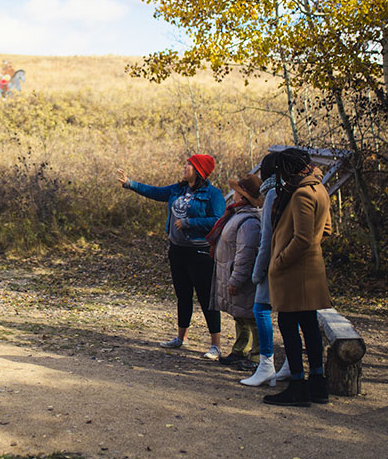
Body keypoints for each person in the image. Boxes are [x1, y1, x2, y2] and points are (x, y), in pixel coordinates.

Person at [118, 154, 226, 359]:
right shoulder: (178, 189)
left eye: (189, 165)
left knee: (206, 298)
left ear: (199, 171)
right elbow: (156, 192)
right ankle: (181, 338)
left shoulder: (213, 194)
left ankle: (216, 345)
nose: (184, 167)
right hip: (177, 250)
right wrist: (130, 183)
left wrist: (189, 223)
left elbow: (218, 220)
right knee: (183, 295)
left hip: (200, 253)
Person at [263, 148, 333, 406]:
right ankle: (317, 383)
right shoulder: (319, 188)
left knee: (289, 325)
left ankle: (297, 386)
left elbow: (302, 239)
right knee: (309, 325)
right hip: (309, 270)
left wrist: (280, 260)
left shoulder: (301, 193)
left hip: (294, 271)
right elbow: (326, 229)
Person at [240, 153, 290, 386]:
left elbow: (266, 236)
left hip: (273, 262)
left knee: (261, 309)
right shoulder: (291, 190)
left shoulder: (272, 193)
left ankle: (267, 363)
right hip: (290, 260)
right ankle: (289, 363)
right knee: (289, 313)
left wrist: (257, 272)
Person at [206, 174, 262, 371]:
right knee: (240, 316)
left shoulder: (249, 222)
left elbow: (245, 254)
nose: (233, 194)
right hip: (229, 272)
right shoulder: (236, 214)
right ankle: (240, 350)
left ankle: (256, 356)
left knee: (250, 318)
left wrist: (236, 279)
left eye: (237, 191)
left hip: (241, 277)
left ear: (243, 196)